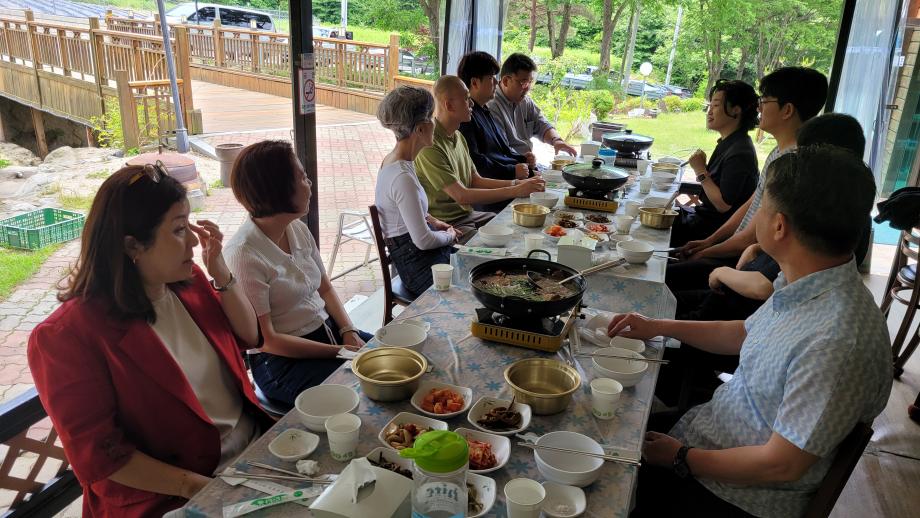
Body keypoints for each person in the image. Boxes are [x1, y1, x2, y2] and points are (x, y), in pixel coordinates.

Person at [612, 145, 892, 517]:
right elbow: (744, 333)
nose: (756, 214)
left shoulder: (837, 340)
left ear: (779, 226)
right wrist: (656, 326)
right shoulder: (811, 282)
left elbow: (782, 464)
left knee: (596, 468)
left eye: (762, 206)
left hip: (732, 495)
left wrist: (680, 457)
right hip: (710, 433)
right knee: (608, 421)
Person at [28, 164, 272, 517]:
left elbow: (249, 337)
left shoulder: (189, 283)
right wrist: (201, 490)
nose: (193, 241)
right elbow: (101, 456)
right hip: (171, 495)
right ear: (133, 245)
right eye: (178, 229)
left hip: (253, 455)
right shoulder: (68, 336)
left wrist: (221, 273)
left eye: (188, 225)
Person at [659, 112, 870, 409]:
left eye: (764, 209)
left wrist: (721, 267)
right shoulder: (815, 248)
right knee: (659, 302)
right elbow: (751, 328)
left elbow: (762, 290)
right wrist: (757, 246)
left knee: (656, 322)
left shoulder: (830, 340)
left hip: (735, 324)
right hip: (740, 336)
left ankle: (682, 389)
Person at [224, 140, 373, 407]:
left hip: (328, 334)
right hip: (282, 362)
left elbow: (325, 288)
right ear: (278, 190)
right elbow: (268, 341)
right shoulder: (243, 254)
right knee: (363, 392)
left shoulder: (297, 229)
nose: (310, 183)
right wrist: (340, 351)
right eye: (302, 177)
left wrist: (348, 330)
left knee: (394, 358)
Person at [666, 67, 828, 293]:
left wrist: (706, 251)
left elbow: (751, 234)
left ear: (787, 110)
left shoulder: (792, 165)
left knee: (663, 277)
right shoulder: (778, 152)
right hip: (732, 249)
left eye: (765, 100)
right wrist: (709, 242)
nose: (759, 107)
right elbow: (751, 204)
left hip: (745, 263)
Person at [415, 75, 545, 238]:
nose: (471, 104)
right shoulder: (430, 144)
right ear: (449, 105)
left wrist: (517, 183)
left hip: (468, 215)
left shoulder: (457, 136)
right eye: (466, 98)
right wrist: (515, 190)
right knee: (504, 242)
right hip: (446, 225)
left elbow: (475, 180)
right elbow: (461, 195)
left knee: (516, 227)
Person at [375, 86, 458, 297]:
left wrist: (433, 220)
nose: (435, 123)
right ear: (420, 129)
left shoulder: (397, 160)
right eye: (431, 118)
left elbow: (404, 211)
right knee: (475, 282)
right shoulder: (402, 176)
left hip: (419, 255)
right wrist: (448, 235)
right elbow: (423, 240)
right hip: (417, 266)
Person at [670, 79, 759, 248]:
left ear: (736, 110)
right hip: (701, 219)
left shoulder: (740, 152)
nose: (709, 111)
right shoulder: (731, 142)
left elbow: (723, 205)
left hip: (711, 231)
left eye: (716, 105)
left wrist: (700, 171)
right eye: (709, 105)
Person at [457, 51, 536, 213]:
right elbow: (478, 164)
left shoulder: (483, 110)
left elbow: (502, 151)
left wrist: (523, 160)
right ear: (475, 83)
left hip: (507, 185)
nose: (496, 82)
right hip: (491, 198)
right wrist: (513, 171)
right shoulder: (466, 118)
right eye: (491, 78)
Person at [488, 53, 578, 157]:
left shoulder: (525, 101)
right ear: (506, 81)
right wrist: (523, 160)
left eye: (530, 82)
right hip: (511, 164)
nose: (528, 88)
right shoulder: (492, 106)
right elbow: (499, 150)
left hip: (527, 161)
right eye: (524, 83)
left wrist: (556, 141)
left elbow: (541, 124)